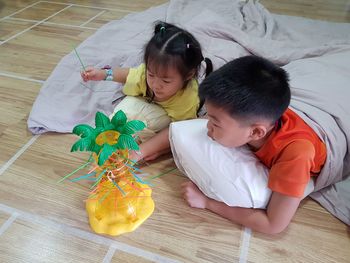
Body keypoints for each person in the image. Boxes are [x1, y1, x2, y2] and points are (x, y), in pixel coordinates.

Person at [174, 55, 327, 234]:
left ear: (255, 133)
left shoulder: (296, 154)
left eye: (215, 123)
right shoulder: (243, 113)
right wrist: (143, 152)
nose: (207, 126)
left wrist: (207, 202)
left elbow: (273, 225)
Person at [81, 21, 212, 146]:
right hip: (144, 107)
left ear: (188, 75)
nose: (155, 84)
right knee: (122, 114)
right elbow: (128, 74)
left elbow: (178, 131)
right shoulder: (146, 74)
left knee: (146, 125)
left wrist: (147, 150)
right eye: (151, 74)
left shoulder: (186, 101)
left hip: (165, 118)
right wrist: (102, 74)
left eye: (166, 80)